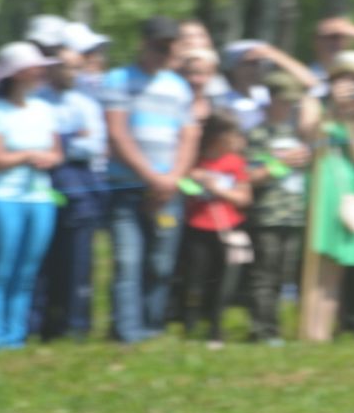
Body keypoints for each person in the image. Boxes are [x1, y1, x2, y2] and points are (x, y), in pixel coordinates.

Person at [101, 17, 197, 343]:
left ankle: (152, 326)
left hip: (169, 191)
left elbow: (188, 135)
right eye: (158, 46)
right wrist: (151, 176)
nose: (164, 53)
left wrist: (171, 179)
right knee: (128, 260)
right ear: (143, 43)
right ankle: (128, 332)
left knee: (161, 263)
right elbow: (117, 133)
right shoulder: (118, 79)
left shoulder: (179, 86)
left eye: (170, 47)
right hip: (127, 187)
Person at [0, 43, 61, 349]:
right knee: (2, 267)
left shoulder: (45, 110)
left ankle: (16, 334)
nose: (41, 72)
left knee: (28, 268)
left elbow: (56, 152)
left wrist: (47, 159)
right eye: (34, 68)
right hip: (3, 197)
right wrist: (27, 155)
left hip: (39, 197)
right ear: (16, 74)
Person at [301, 52, 354, 341]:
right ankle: (307, 329)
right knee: (319, 258)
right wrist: (331, 107)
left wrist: (351, 118)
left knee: (337, 263)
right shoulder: (314, 102)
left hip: (347, 184)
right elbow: (310, 135)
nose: (350, 85)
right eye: (346, 78)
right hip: (323, 180)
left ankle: (322, 332)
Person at [37, 32, 108, 341]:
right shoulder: (36, 100)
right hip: (41, 183)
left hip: (80, 187)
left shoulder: (85, 103)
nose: (73, 73)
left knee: (78, 260)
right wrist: (68, 139)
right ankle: (41, 322)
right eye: (67, 66)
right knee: (43, 258)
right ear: (51, 67)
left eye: (77, 67)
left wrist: (58, 146)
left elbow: (94, 145)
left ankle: (76, 324)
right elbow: (35, 140)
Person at [243, 70, 317, 344]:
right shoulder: (256, 135)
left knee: (288, 276)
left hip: (295, 214)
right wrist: (282, 163)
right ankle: (263, 330)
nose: (289, 107)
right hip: (267, 215)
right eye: (284, 101)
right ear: (271, 100)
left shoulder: (296, 134)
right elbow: (249, 177)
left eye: (292, 102)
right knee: (265, 276)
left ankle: (288, 327)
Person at [179, 113, 252, 345]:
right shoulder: (195, 161)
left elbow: (243, 198)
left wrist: (216, 188)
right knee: (195, 277)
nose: (234, 139)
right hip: (198, 226)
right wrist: (191, 179)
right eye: (230, 135)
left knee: (223, 280)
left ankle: (216, 326)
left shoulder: (235, 163)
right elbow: (183, 187)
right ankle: (190, 323)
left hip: (227, 228)